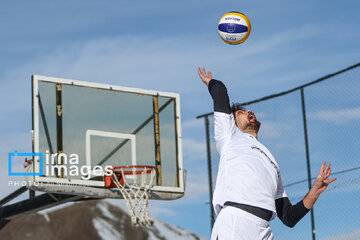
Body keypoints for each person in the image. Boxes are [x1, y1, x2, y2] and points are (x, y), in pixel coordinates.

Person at [197, 67, 337, 240]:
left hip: (264, 229)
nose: (248, 111)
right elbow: (220, 92)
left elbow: (288, 216)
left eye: (247, 110)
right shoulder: (229, 136)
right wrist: (211, 83)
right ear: (231, 123)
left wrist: (314, 191)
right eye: (241, 112)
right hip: (235, 222)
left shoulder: (270, 159)